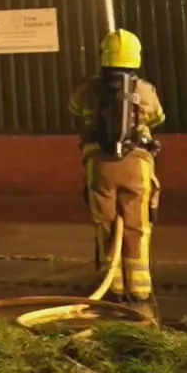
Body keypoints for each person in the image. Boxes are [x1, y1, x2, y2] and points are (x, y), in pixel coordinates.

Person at [68, 28, 165, 303]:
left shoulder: (88, 89)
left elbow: (74, 111)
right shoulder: (145, 90)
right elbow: (159, 117)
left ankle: (115, 285)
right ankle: (139, 286)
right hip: (137, 164)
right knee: (137, 224)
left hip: (99, 164)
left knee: (106, 223)